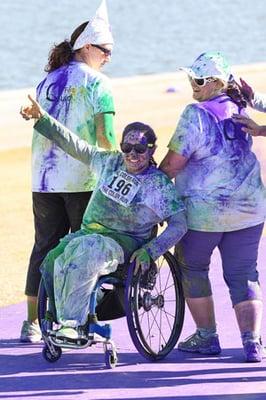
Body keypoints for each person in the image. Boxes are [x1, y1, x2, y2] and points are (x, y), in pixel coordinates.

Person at [20, 95, 187, 339]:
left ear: (151, 150)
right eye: (127, 148)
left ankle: (72, 323)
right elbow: (75, 146)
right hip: (89, 234)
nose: (132, 154)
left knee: (88, 251)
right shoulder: (110, 163)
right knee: (54, 259)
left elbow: (180, 223)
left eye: (140, 149)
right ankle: (81, 309)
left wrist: (152, 250)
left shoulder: (158, 185)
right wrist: (42, 119)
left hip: (125, 242)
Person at [20, 0, 117, 343]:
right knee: (81, 251)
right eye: (105, 50)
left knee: (44, 246)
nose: (108, 57)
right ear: (87, 47)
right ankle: (70, 321)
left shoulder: (47, 80)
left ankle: (31, 323)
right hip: (82, 180)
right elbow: (106, 139)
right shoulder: (99, 85)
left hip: (43, 179)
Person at [160, 51, 266, 362]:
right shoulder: (241, 104)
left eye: (200, 79)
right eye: (191, 77)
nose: (193, 83)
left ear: (217, 82)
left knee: (193, 268)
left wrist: (153, 177)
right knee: (244, 274)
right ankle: (252, 342)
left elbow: (172, 163)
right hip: (249, 209)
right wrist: (256, 100)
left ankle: (207, 336)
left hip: (202, 214)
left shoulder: (196, 114)